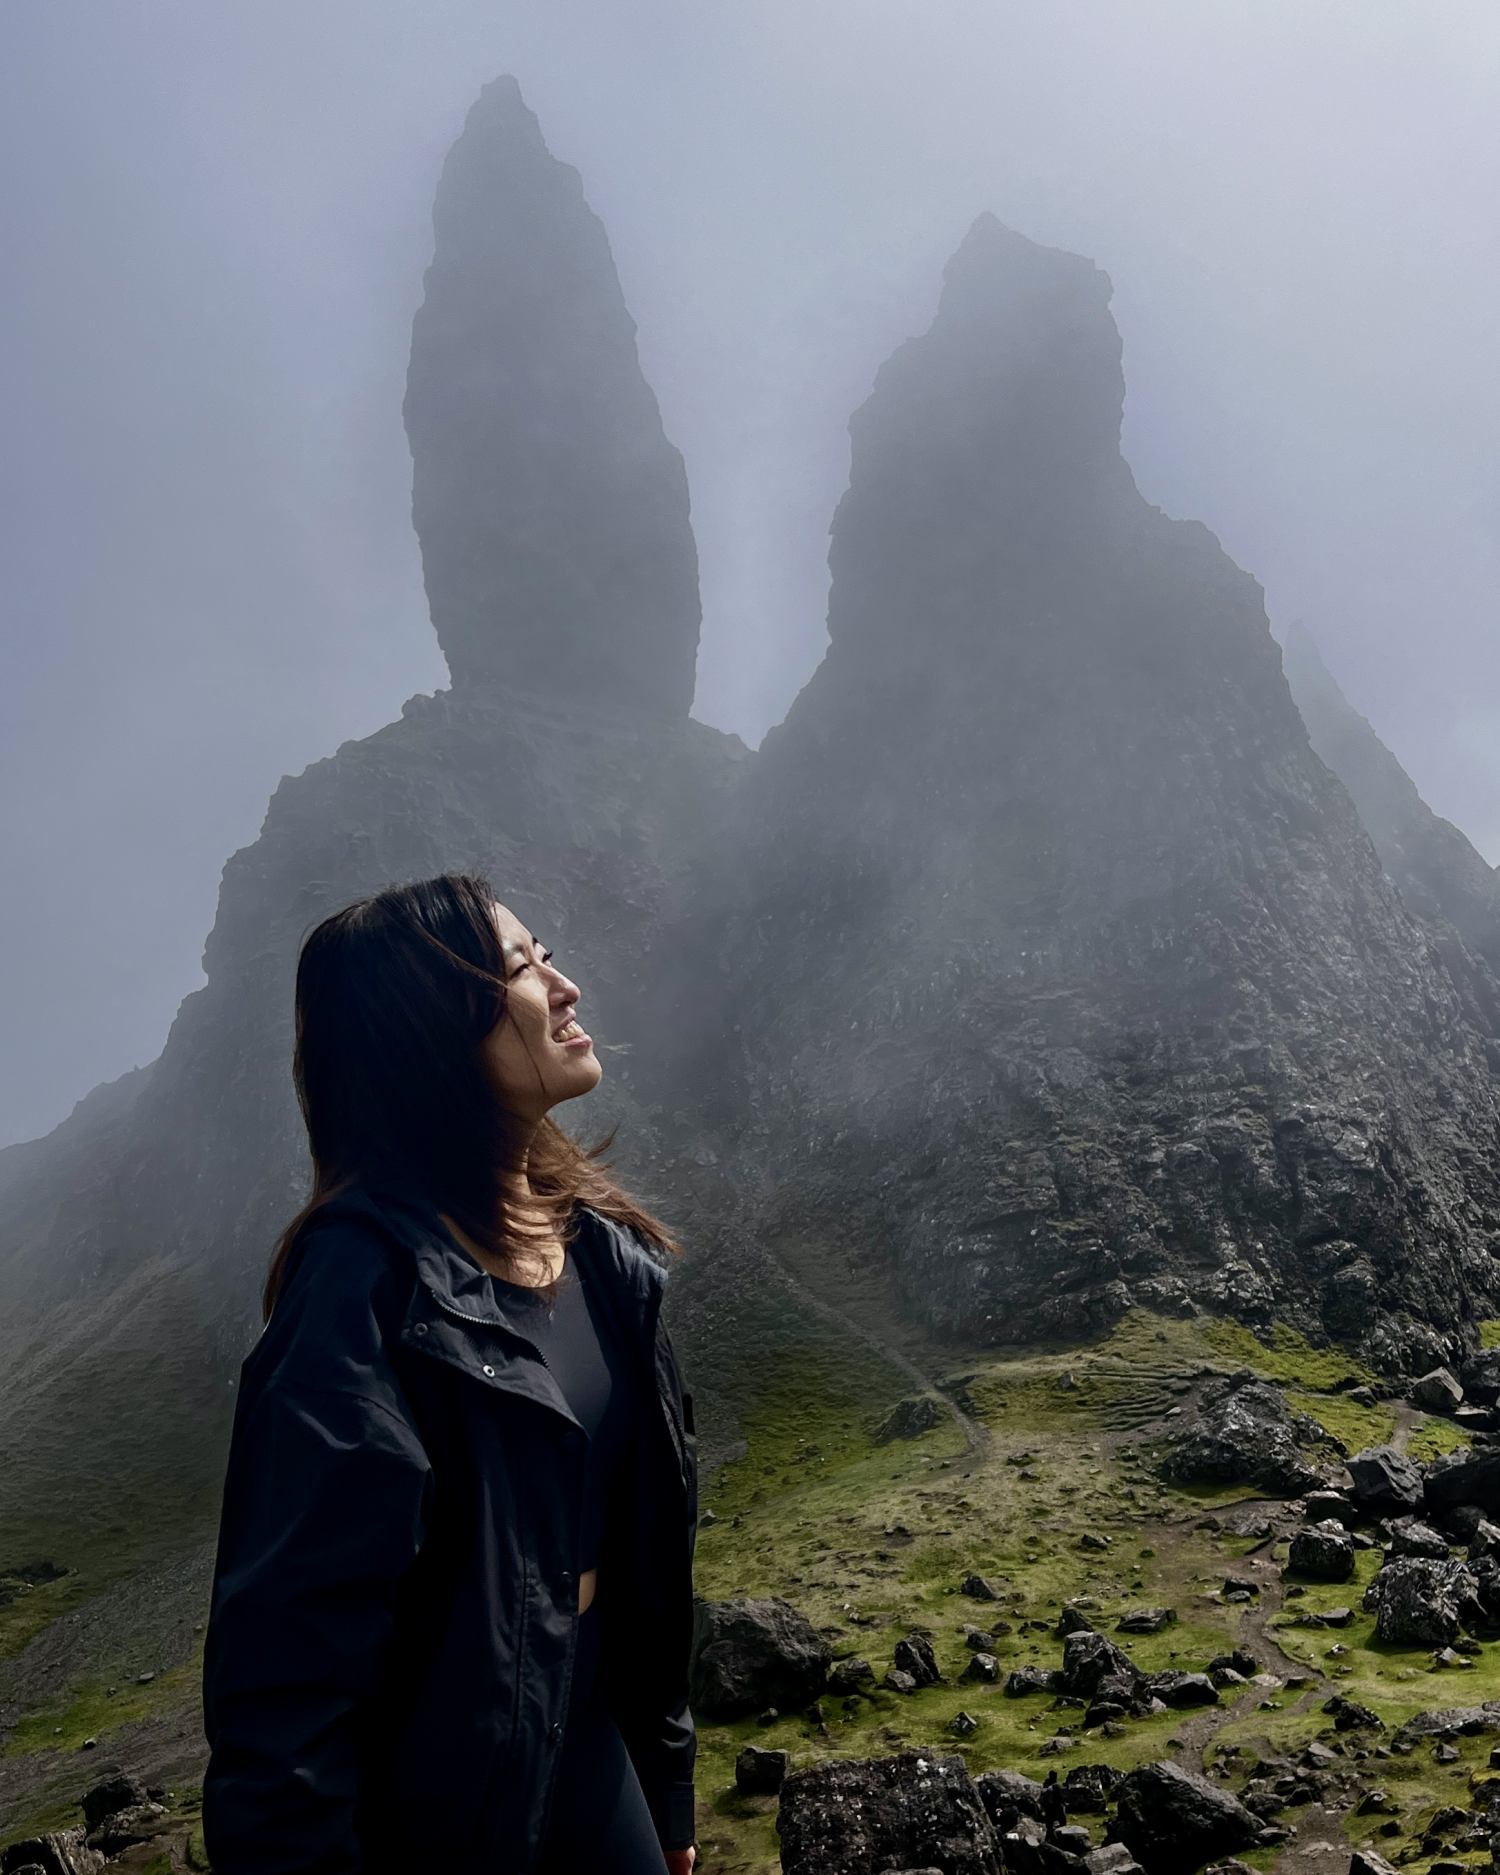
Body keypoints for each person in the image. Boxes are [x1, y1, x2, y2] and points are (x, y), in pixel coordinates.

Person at [200, 871, 700, 1874]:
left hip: (590, 1747)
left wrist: (666, 1783)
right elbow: (287, 1670)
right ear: (432, 1029)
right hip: (435, 1797)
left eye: (544, 954)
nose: (564, 986)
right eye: (521, 967)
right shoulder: (359, 1290)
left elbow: (644, 1551)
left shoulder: (603, 1257)